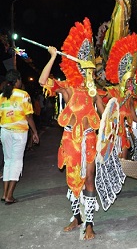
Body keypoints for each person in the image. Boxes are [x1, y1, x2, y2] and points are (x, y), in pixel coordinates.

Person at [38, 18, 104, 240]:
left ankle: (89, 223)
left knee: (89, 177)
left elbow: (104, 113)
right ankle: (77, 217)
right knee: (72, 179)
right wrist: (53, 57)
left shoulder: (95, 90)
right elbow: (42, 80)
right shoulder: (67, 87)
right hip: (69, 139)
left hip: (89, 138)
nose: (88, 71)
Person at [0, 69, 39, 204]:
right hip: (19, 132)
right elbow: (28, 116)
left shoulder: (2, 96)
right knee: (16, 162)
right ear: (17, 80)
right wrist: (34, 132)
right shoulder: (23, 95)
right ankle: (10, 195)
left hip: (5, 131)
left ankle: (5, 194)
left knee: (8, 162)